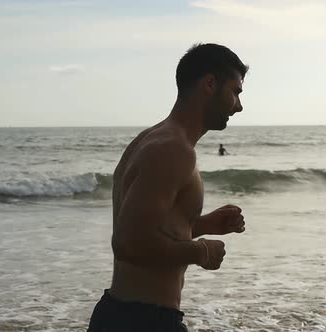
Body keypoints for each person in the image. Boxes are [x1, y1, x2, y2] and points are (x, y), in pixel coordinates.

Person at [87, 43, 248, 332]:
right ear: (210, 84)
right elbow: (128, 243)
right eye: (235, 91)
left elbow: (149, 231)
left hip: (124, 314)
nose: (238, 105)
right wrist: (200, 252)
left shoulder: (152, 139)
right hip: (143, 321)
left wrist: (202, 225)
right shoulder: (173, 150)